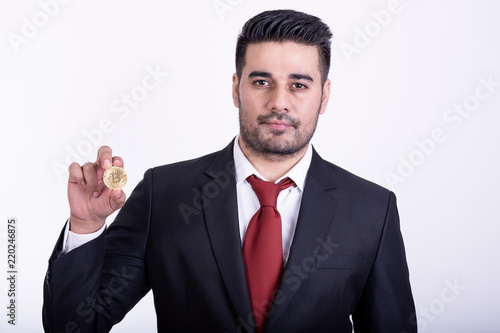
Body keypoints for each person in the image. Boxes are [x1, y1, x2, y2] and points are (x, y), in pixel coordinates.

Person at [43, 9, 417, 333]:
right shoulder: (164, 194)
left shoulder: (372, 210)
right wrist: (86, 227)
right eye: (261, 81)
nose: (279, 102)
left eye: (299, 84)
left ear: (325, 95)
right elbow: (76, 325)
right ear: (237, 89)